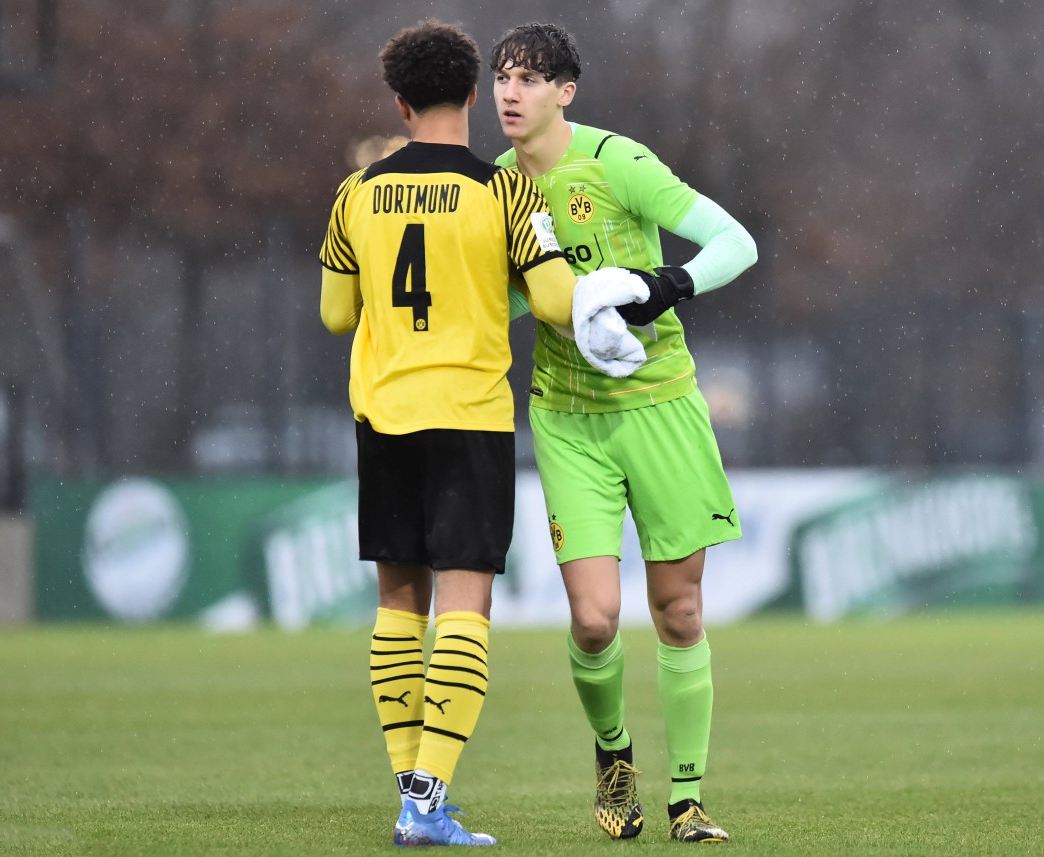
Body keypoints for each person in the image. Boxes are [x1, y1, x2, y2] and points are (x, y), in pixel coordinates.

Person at [318, 20, 636, 847]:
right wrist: (621, 289)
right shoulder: (506, 193)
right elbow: (561, 301)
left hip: (384, 413)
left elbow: (334, 314)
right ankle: (426, 805)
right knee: (466, 602)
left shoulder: (356, 192)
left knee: (398, 602)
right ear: (470, 94)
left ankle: (411, 797)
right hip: (468, 418)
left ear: (399, 100)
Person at [491, 22, 758, 845]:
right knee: (596, 620)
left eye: (531, 79)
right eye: (502, 76)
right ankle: (614, 757)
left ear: (566, 92)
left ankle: (686, 800)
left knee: (678, 610)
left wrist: (663, 283)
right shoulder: (494, 188)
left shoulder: (617, 163)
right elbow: (500, 303)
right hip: (568, 419)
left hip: (664, 408)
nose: (511, 92)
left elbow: (736, 244)